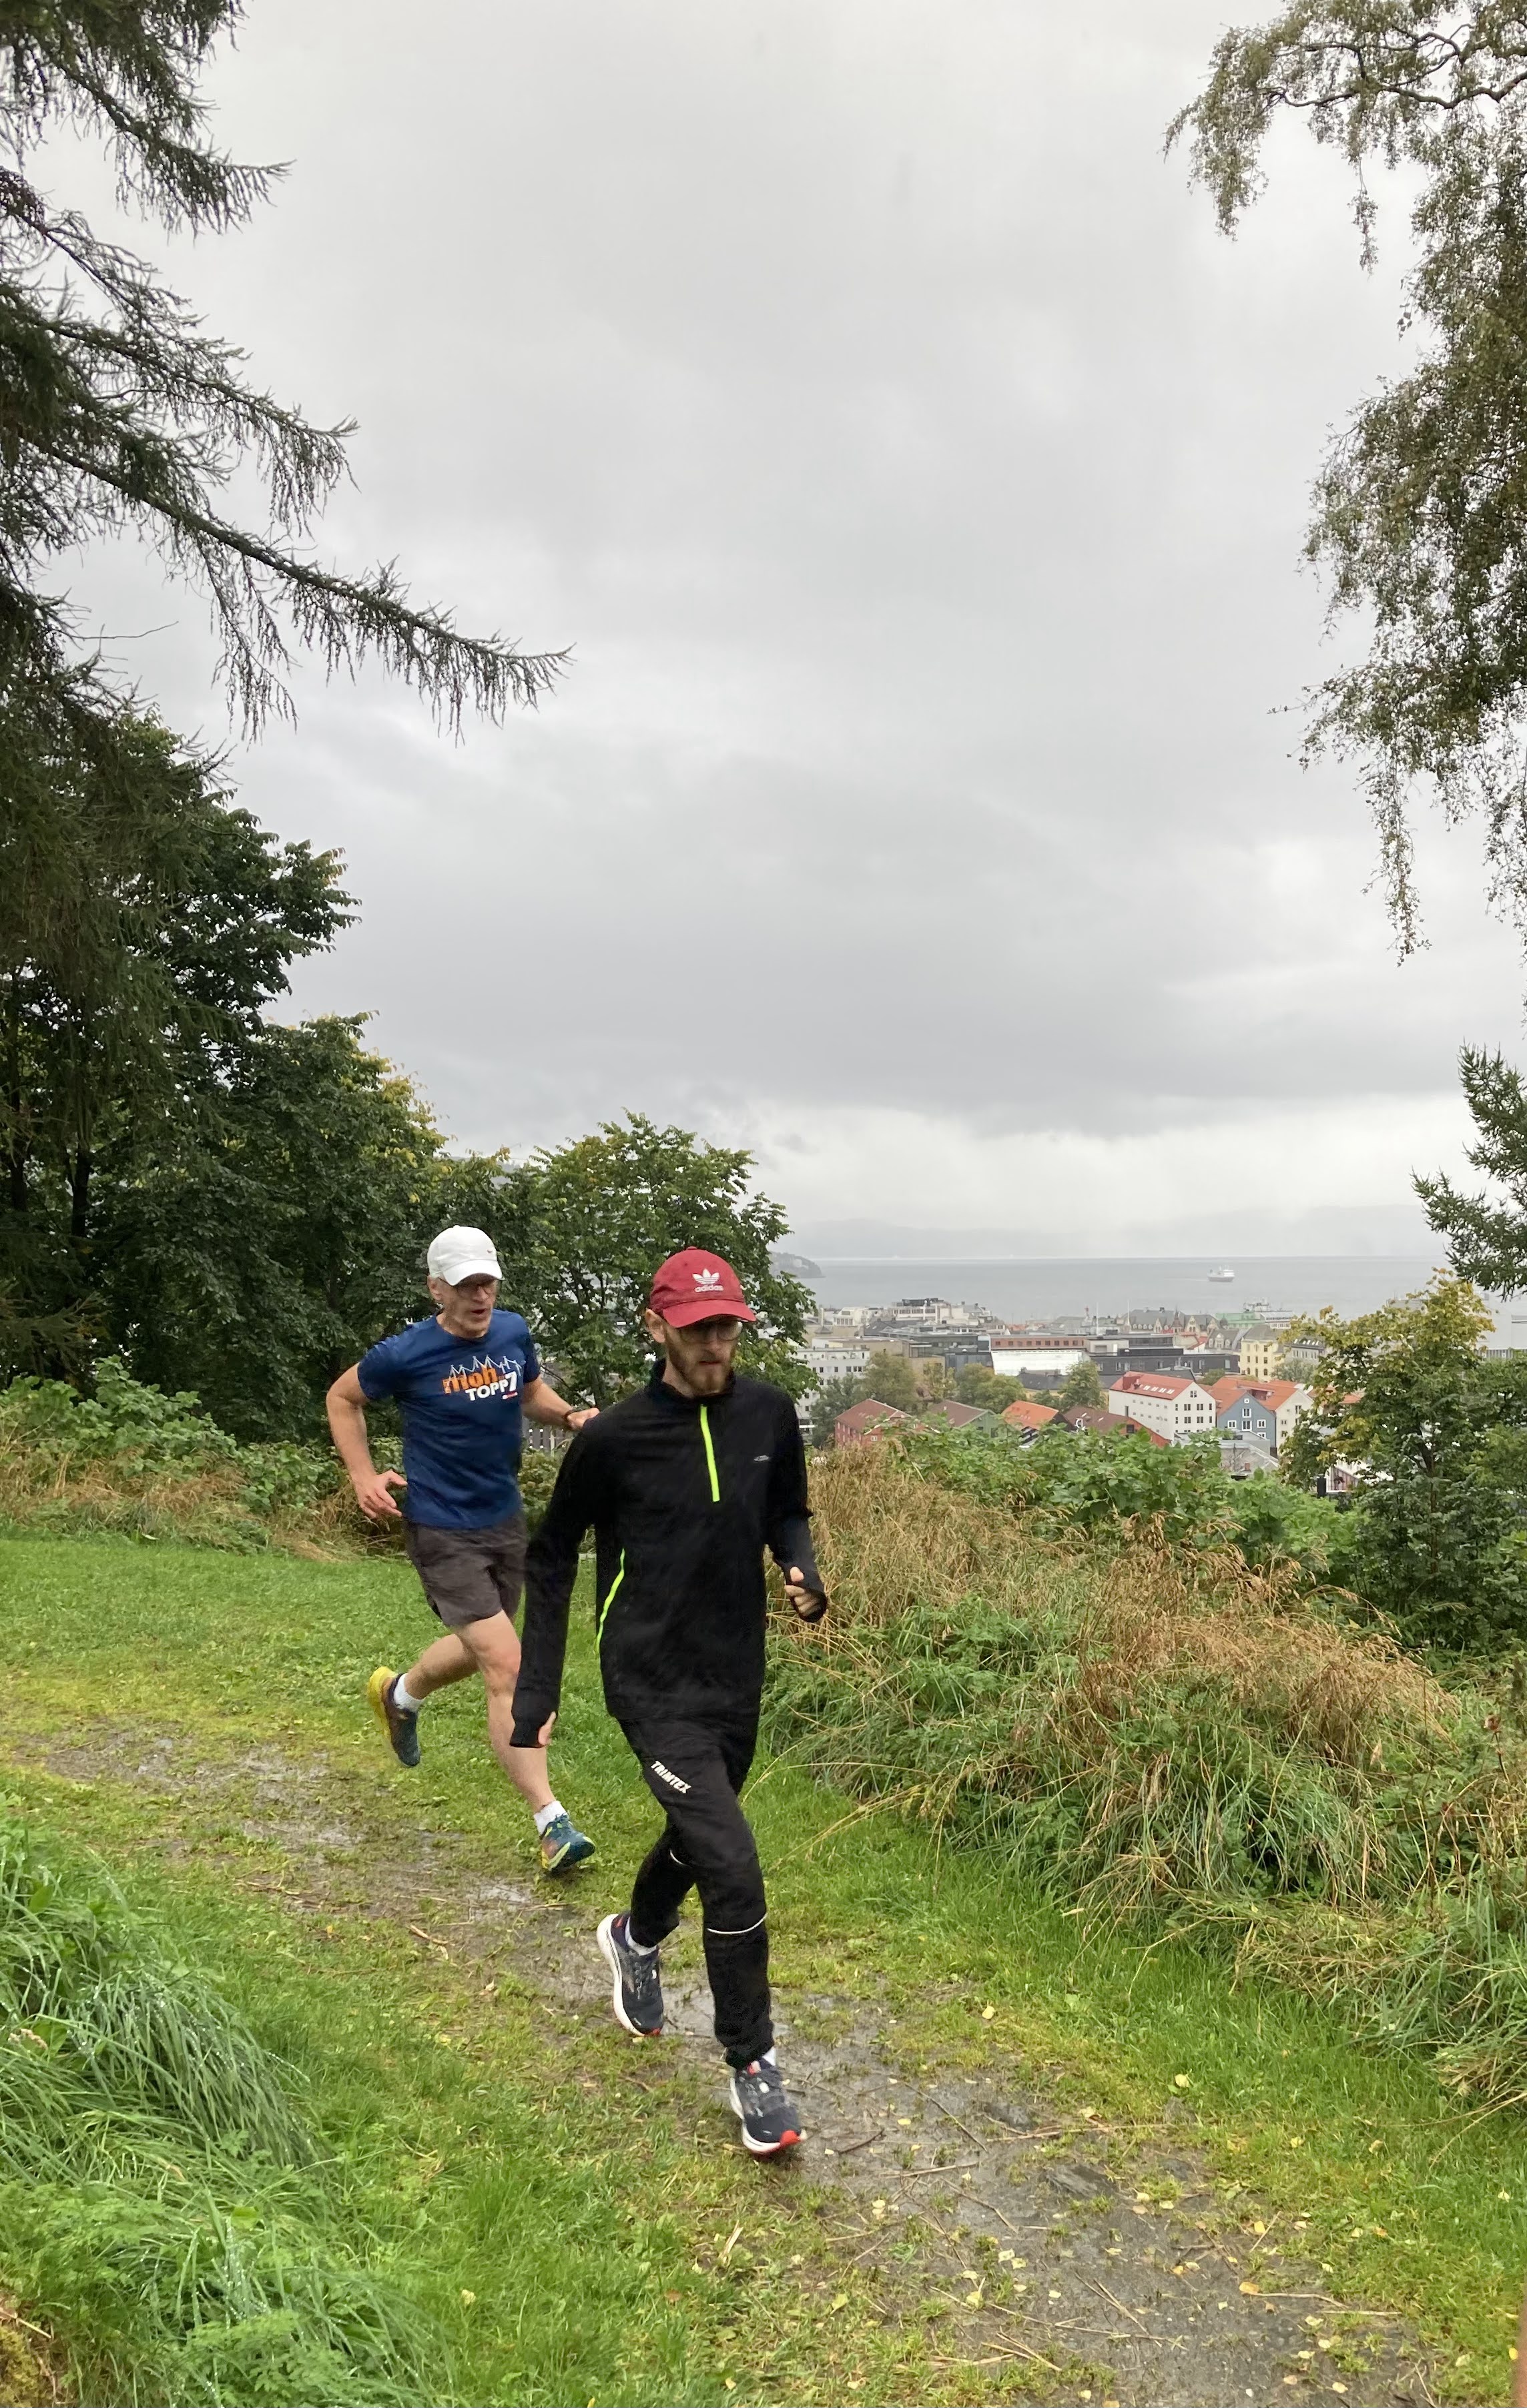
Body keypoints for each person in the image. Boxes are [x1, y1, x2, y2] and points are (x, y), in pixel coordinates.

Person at [511, 1246, 828, 2156]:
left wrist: (801, 1566)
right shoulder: (612, 1440)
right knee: (732, 1862)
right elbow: (552, 1549)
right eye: (697, 1328)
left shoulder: (769, 1412)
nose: (716, 1342)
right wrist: (537, 1688)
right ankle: (753, 2063)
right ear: (657, 1328)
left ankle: (635, 1937)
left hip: (736, 1671)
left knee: (701, 1832)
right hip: (649, 1678)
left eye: (727, 1324)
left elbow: (787, 1508)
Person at [326, 1224, 598, 1874]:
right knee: (507, 1662)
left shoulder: (511, 1333)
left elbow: (528, 1392)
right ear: (436, 1289)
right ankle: (550, 1822)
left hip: (502, 1519)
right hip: (440, 1527)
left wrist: (568, 1416)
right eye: (466, 1285)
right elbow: (342, 1397)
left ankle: (399, 1695)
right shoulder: (407, 1353)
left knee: (484, 1649)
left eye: (488, 1282)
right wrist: (363, 1475)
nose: (481, 1296)